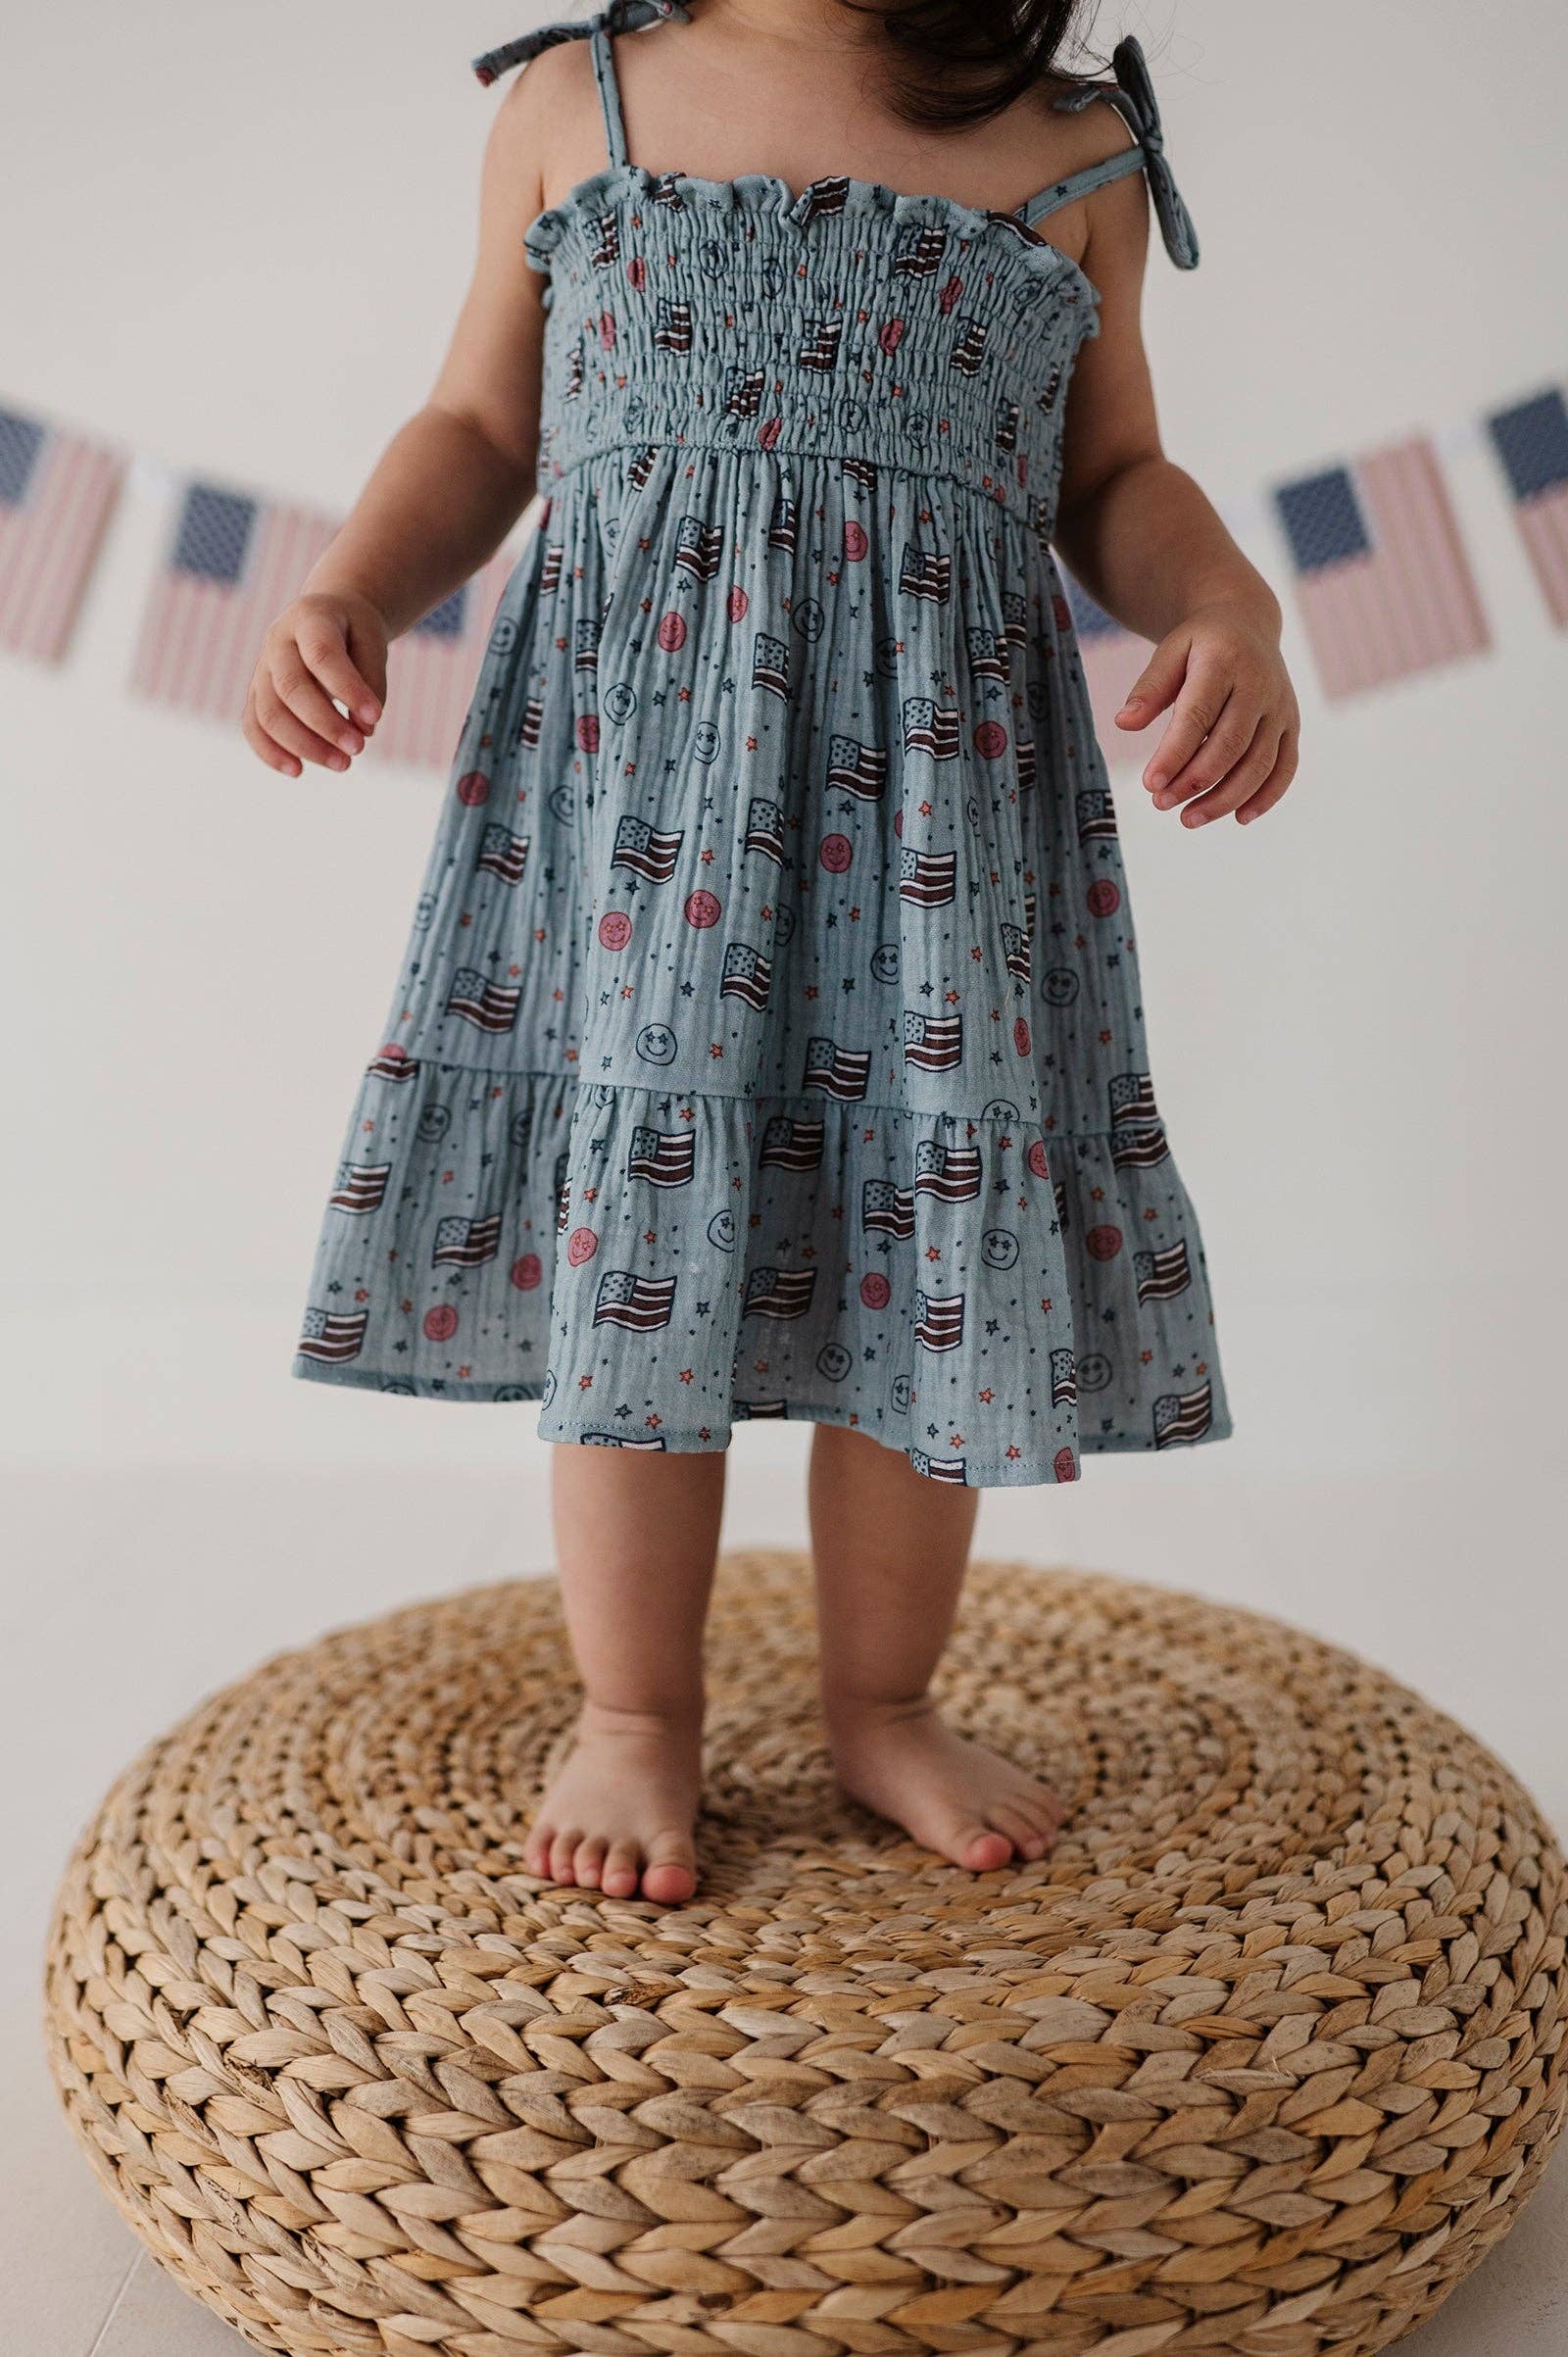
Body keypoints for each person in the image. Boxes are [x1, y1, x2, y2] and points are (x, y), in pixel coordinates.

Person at [246, 0, 1299, 1905]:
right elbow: (480, 422)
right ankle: (631, 1708)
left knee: (926, 1249)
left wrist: (1225, 609)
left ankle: (884, 1698)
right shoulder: (580, 103)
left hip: (930, 827)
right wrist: (350, 588)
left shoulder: (1068, 153)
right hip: (647, 820)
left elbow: (1113, 474)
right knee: (639, 1243)